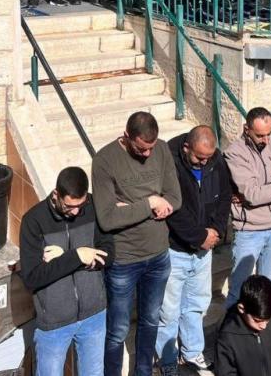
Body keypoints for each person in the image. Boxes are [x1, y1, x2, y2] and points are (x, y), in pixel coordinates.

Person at [91, 112, 182, 376]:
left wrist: (131, 208)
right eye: (141, 149)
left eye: (150, 148)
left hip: (158, 255)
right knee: (118, 330)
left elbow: (175, 198)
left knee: (150, 321)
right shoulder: (105, 160)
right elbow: (108, 218)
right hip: (124, 260)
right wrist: (151, 202)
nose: (147, 154)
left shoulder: (161, 149)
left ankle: (143, 372)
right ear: (126, 136)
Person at [156, 126, 232, 376]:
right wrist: (199, 236)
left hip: (204, 249)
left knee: (197, 304)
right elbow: (171, 209)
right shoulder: (169, 159)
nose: (204, 162)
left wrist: (216, 231)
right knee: (168, 311)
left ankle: (192, 351)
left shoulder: (214, 158)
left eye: (208, 157)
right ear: (187, 147)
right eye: (199, 157)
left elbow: (224, 197)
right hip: (175, 250)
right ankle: (167, 359)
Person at [19, 167, 109, 376]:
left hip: (94, 314)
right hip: (54, 323)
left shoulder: (93, 206)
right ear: (56, 195)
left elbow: (109, 253)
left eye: (80, 205)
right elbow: (32, 278)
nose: (76, 212)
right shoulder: (34, 220)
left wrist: (72, 257)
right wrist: (75, 256)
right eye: (69, 206)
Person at [224, 106, 271, 306]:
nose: (266, 140)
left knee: (268, 288)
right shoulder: (235, 153)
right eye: (260, 135)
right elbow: (253, 195)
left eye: (269, 134)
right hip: (249, 230)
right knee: (239, 290)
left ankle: (263, 325)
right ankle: (232, 325)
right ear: (246, 129)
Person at [215, 275, 271, 376]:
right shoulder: (227, 336)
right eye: (257, 320)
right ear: (242, 308)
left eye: (267, 320)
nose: (264, 326)